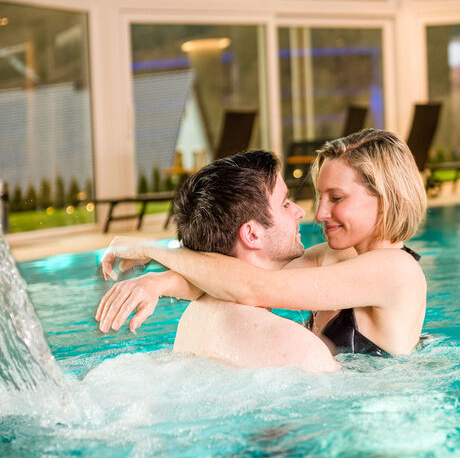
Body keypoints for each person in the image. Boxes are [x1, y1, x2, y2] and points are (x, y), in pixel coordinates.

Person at [97, 129, 428, 357]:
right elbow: (233, 275)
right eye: (319, 196)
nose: (320, 212)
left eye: (336, 198)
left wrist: (153, 250)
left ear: (386, 198)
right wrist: (157, 282)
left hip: (382, 435)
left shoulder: (397, 271)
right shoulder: (331, 256)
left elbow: (253, 287)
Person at [96, 150, 338, 373]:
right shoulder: (298, 349)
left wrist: (159, 277)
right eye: (285, 203)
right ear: (252, 234)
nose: (300, 211)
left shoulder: (193, 319)